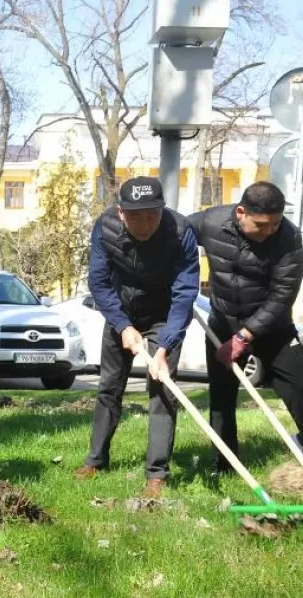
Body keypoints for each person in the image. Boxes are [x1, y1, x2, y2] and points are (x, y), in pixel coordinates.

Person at [189, 182, 303, 479]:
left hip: (273, 327)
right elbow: (174, 232)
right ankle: (226, 463)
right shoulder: (210, 222)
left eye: (276, 223)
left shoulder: (289, 238)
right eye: (263, 225)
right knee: (222, 397)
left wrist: (244, 336)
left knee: (302, 391)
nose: (271, 231)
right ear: (241, 213)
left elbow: (282, 296)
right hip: (223, 322)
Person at [75, 177, 199, 498]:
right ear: (120, 213)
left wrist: (166, 346)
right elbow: (99, 283)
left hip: (163, 314)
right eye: (136, 216)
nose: (144, 224)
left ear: (163, 209)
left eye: (152, 215)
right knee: (109, 387)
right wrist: (121, 325)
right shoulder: (105, 228)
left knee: (162, 390)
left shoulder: (182, 233)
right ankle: (95, 460)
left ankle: (157, 473)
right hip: (122, 312)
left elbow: (185, 293)